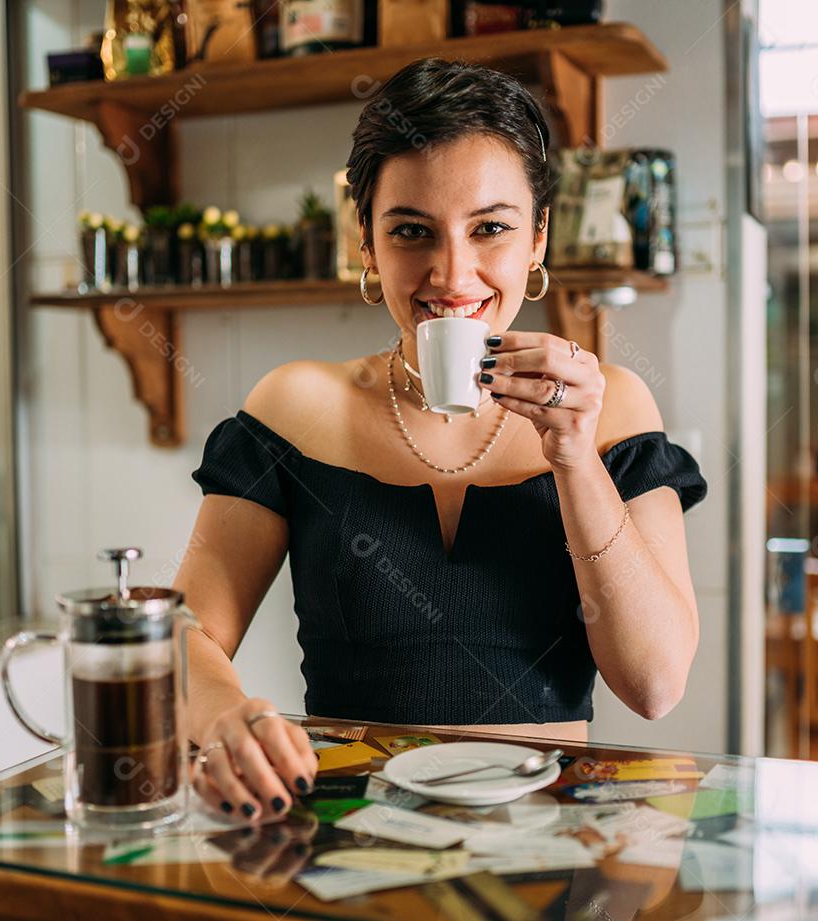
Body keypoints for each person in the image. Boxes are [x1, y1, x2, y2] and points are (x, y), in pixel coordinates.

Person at [173, 58, 708, 823]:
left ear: (537, 240)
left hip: (549, 838)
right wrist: (225, 714)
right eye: (411, 231)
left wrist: (573, 457)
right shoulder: (294, 405)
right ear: (366, 242)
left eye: (490, 228)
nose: (453, 273)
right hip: (353, 835)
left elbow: (655, 685)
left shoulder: (614, 406)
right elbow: (185, 635)